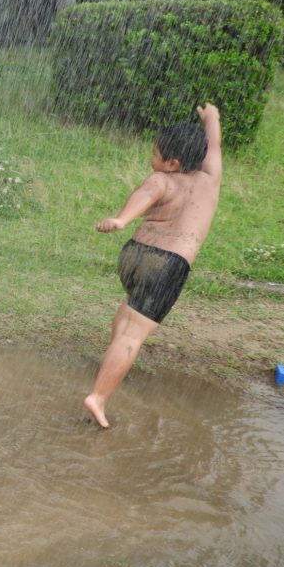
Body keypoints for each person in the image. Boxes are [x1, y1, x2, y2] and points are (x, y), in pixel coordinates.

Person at [83, 103, 222, 428]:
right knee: (134, 332)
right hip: (167, 264)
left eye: (155, 153)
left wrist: (122, 220)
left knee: (131, 310)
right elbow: (213, 145)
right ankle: (99, 397)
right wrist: (212, 119)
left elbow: (147, 192)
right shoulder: (209, 178)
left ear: (173, 163)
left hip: (134, 256)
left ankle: (110, 367)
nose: (152, 158)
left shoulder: (163, 180)